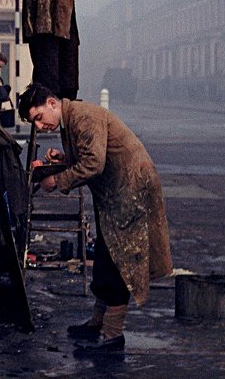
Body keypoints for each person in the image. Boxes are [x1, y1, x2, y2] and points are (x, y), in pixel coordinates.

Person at [17, 83, 172, 353]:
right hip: (115, 192)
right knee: (105, 253)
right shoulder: (71, 119)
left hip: (129, 189)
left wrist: (58, 179)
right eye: (35, 123)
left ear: (52, 103)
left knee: (118, 259)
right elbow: (92, 154)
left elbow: (93, 164)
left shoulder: (83, 116)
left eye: (39, 117)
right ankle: (97, 322)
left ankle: (112, 334)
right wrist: (64, 160)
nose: (40, 126)